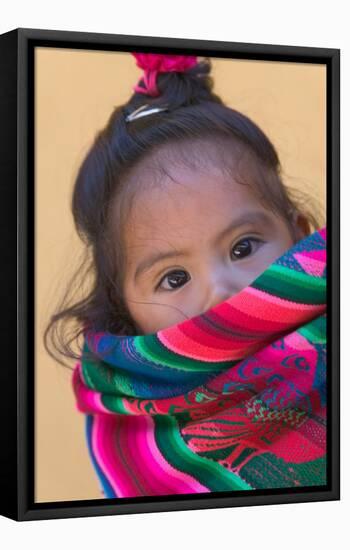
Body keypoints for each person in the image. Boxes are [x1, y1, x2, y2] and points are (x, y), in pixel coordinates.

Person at [43, 53, 327, 498]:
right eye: (174, 279)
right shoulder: (135, 431)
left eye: (243, 247)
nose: (221, 291)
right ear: (126, 311)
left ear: (301, 235)